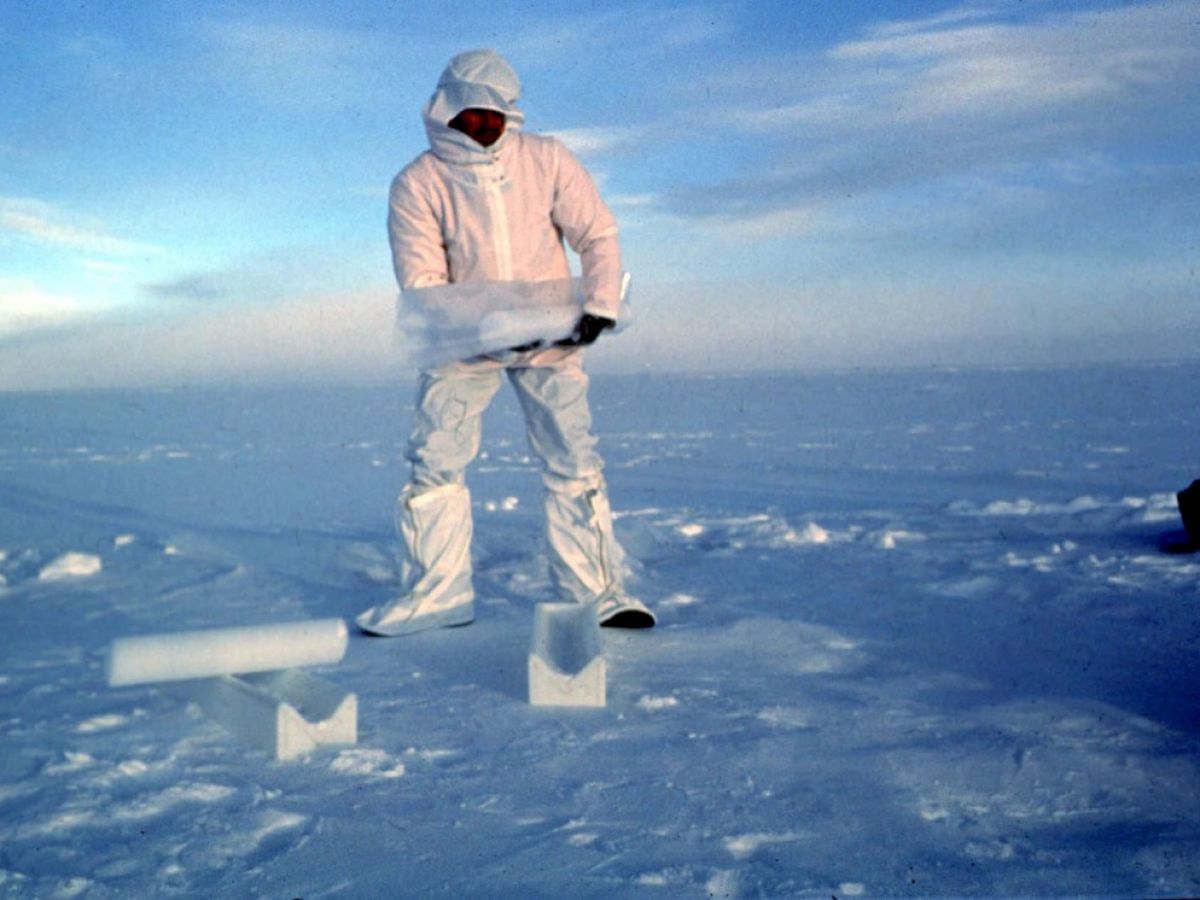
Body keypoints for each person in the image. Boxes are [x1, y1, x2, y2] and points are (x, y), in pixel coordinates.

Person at [356, 49, 656, 636]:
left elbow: (596, 233)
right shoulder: (418, 182)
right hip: (461, 347)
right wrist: (472, 333)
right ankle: (438, 594)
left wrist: (597, 306)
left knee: (571, 456)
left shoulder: (547, 160)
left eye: (496, 116)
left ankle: (596, 594)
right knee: (437, 459)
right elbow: (422, 280)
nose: (485, 127)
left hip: (551, 334)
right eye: (474, 115)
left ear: (510, 116)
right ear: (448, 111)